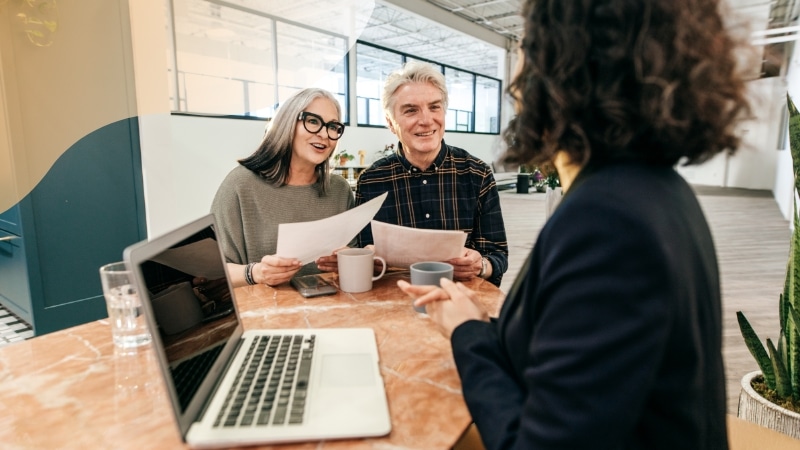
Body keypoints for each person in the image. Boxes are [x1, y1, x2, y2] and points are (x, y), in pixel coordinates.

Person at [399, 1, 750, 449]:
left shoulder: (609, 221)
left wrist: (468, 334)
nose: (516, 80)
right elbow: (568, 361)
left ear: (562, 65)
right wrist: (475, 324)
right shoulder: (654, 189)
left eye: (527, 47)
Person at [355, 61, 508, 287]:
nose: (426, 120)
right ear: (390, 122)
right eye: (411, 110)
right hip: (396, 306)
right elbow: (364, 256)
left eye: (434, 107)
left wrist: (481, 266)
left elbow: (497, 255)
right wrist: (368, 260)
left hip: (462, 304)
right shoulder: (371, 181)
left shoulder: (477, 173)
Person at [211, 88, 354, 287]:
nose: (324, 134)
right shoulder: (240, 185)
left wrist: (347, 262)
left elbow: (353, 254)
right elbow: (211, 275)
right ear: (287, 123)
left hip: (333, 310)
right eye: (313, 121)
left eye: (333, 126)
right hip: (264, 313)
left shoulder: (339, 190)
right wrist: (257, 273)